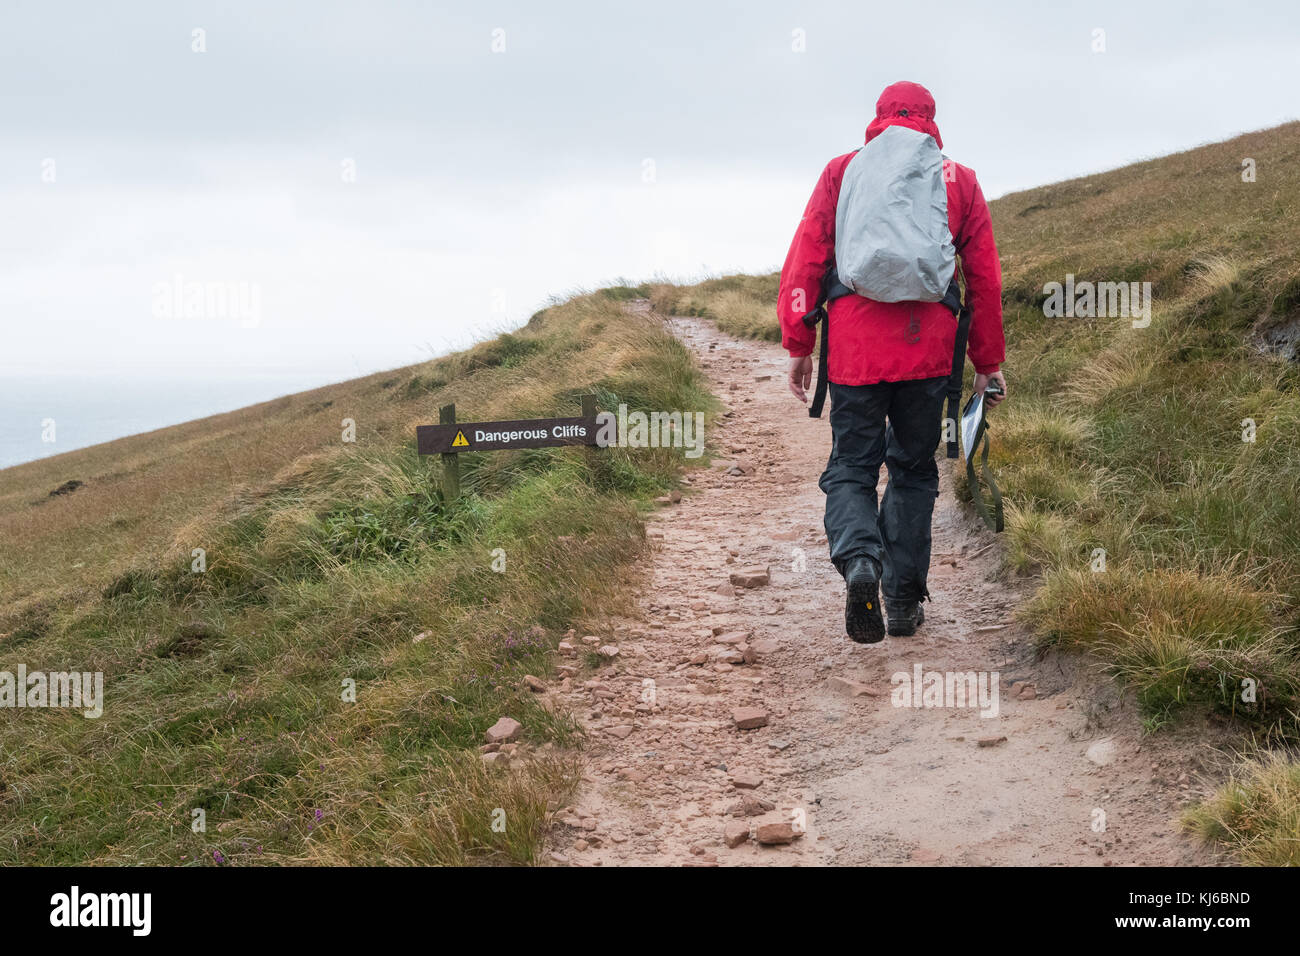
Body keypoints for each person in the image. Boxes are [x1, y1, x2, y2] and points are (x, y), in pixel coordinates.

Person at [778, 80, 1007, 644]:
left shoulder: (842, 171)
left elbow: (808, 256)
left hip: (855, 354)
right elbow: (983, 281)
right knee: (913, 469)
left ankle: (861, 561)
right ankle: (903, 601)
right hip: (928, 355)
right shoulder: (960, 180)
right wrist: (987, 361)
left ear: (877, 116)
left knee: (852, 467)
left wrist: (799, 342)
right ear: (933, 120)